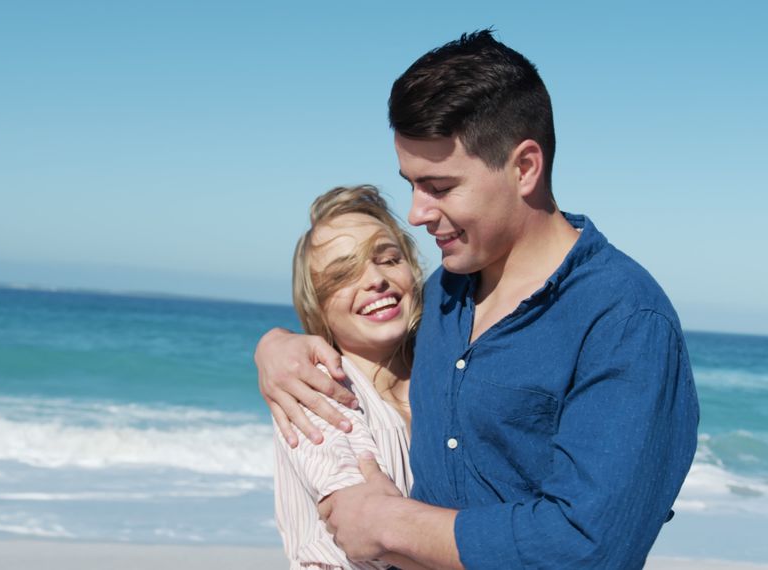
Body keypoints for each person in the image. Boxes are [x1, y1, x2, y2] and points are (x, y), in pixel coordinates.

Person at [257, 31, 700, 569]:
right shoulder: (441, 297)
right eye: (412, 184)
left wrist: (384, 521)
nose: (416, 213)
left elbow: (587, 546)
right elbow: (361, 331)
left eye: (439, 187)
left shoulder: (624, 320)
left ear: (524, 168)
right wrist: (275, 346)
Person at [272, 184, 429, 570]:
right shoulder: (317, 391)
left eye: (389, 259)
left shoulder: (444, 370)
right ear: (318, 308)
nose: (374, 279)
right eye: (344, 275)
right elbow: (370, 535)